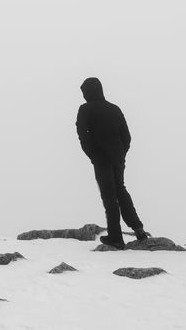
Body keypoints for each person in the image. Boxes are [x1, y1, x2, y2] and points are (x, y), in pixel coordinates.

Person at [76, 77, 149, 248]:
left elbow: (82, 134)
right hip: (117, 157)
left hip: (101, 158)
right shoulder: (114, 109)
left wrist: (92, 154)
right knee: (121, 191)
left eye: (84, 92)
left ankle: (115, 237)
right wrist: (120, 153)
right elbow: (127, 136)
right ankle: (138, 229)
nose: (84, 96)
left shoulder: (85, 109)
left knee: (109, 196)